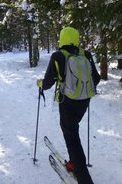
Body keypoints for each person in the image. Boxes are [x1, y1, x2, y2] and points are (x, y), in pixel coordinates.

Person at [37, 27, 100, 184]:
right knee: (72, 130)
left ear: (62, 38)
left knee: (71, 137)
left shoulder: (58, 56)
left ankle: (84, 178)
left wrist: (40, 83)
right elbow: (96, 79)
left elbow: (47, 83)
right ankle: (73, 162)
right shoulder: (86, 54)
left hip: (68, 102)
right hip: (85, 100)